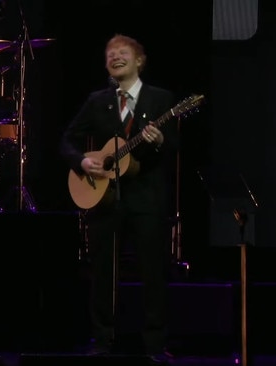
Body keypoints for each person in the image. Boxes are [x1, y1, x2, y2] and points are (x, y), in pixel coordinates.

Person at [59, 34, 179, 364]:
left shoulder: (161, 98)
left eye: (122, 52)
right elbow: (67, 140)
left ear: (140, 61)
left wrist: (157, 141)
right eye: (110, 53)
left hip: (147, 199)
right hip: (105, 197)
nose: (115, 57)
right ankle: (102, 340)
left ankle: (154, 345)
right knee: (102, 272)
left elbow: (174, 148)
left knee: (153, 271)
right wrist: (83, 161)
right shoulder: (98, 101)